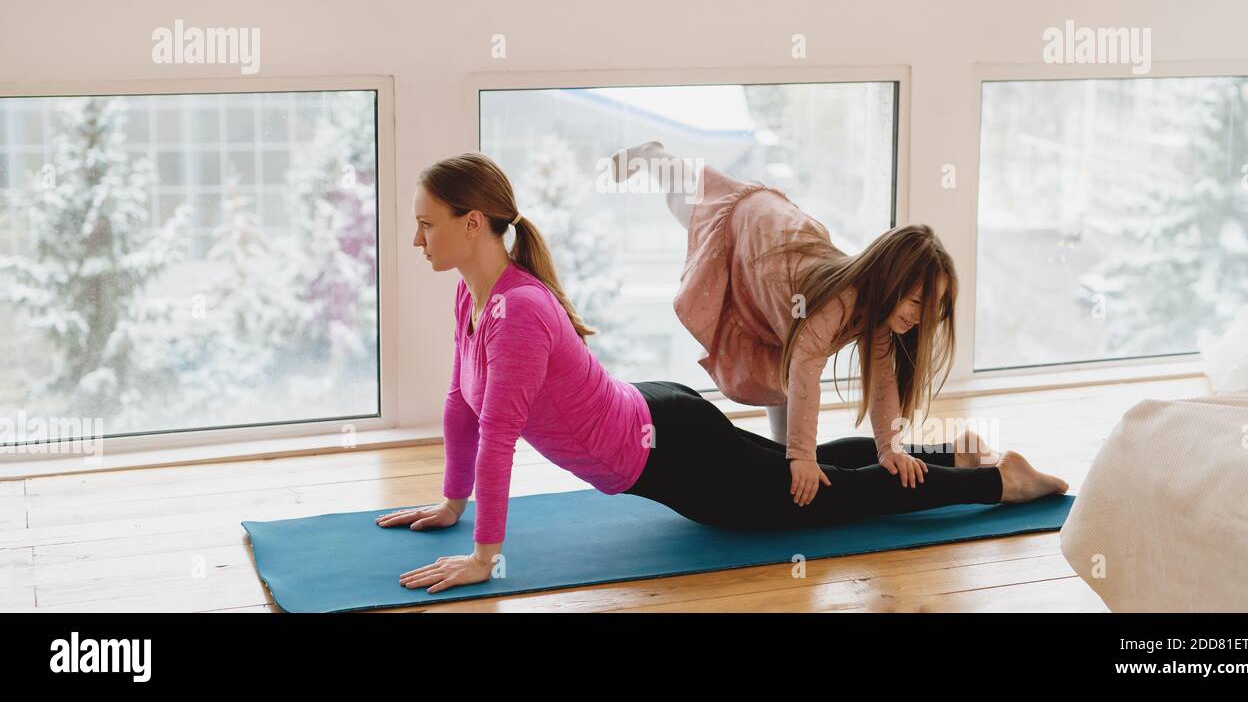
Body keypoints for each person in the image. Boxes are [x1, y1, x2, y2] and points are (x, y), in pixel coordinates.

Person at [378, 151, 1068, 596]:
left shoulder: (518, 311)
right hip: (661, 428)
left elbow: (498, 434)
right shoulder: (478, 296)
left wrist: (482, 554)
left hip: (671, 452)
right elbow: (462, 407)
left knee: (832, 497)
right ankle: (953, 455)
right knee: (808, 468)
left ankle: (998, 481)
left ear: (472, 224)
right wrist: (451, 502)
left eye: (426, 224)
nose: (416, 239)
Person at [609, 140, 977, 506]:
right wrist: (803, 456)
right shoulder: (834, 303)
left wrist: (890, 448)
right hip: (753, 226)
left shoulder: (880, 314)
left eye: (929, 310)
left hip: (784, 273)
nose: (918, 317)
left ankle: (783, 456)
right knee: (687, 204)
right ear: (891, 279)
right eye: (915, 302)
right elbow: (805, 376)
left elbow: (883, 380)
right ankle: (654, 157)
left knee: (781, 377)